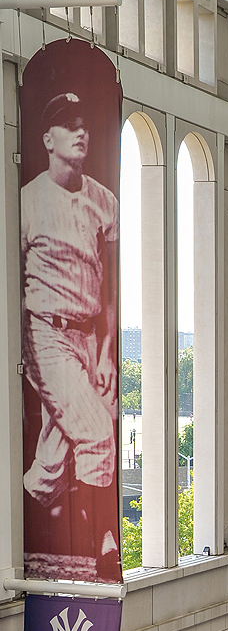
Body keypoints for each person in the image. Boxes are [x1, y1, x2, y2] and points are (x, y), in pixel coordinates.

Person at [21, 93, 121, 582]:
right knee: (99, 431)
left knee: (54, 462)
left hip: (88, 338)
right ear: (48, 138)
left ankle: (28, 501)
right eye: (68, 126)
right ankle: (100, 547)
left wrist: (107, 353)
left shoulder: (104, 200)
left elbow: (110, 287)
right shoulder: (28, 201)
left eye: (85, 125)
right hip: (46, 333)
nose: (81, 133)